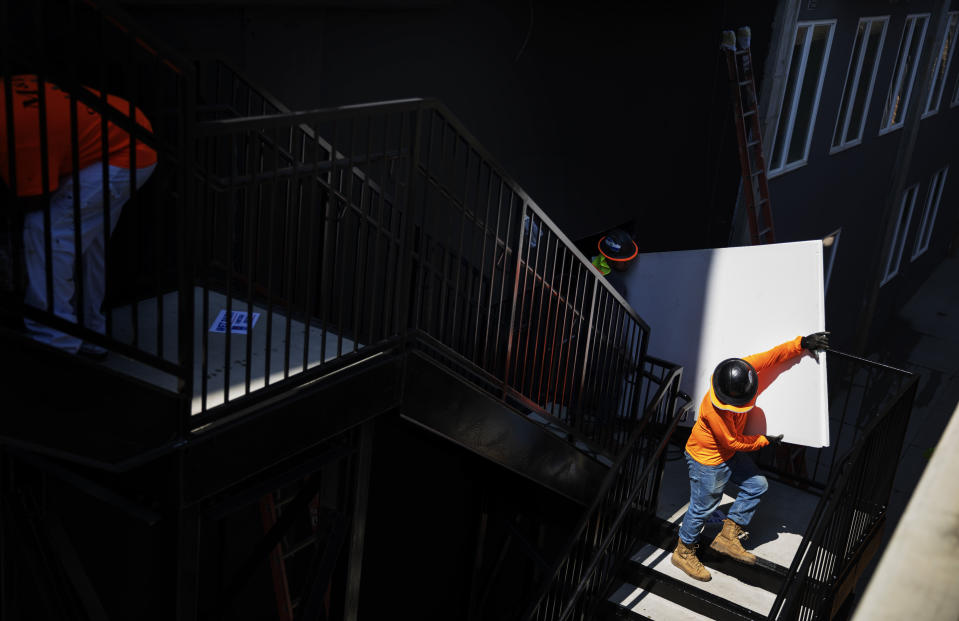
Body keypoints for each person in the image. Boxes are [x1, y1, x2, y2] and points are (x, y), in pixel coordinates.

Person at [0, 74, 157, 356]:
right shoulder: (8, 94)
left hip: (121, 151)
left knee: (46, 231)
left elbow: (35, 198)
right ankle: (91, 332)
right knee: (87, 243)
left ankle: (55, 341)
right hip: (127, 132)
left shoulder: (15, 133)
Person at [671, 331, 830, 582]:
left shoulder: (741, 372)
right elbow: (732, 440)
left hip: (728, 454)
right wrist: (764, 441)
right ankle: (683, 552)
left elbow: (772, 357)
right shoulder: (713, 409)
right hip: (707, 460)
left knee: (757, 485)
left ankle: (727, 537)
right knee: (702, 508)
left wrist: (801, 344)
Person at [592, 228, 638, 298]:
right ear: (612, 259)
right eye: (625, 260)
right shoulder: (616, 285)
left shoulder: (591, 268)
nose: (628, 263)